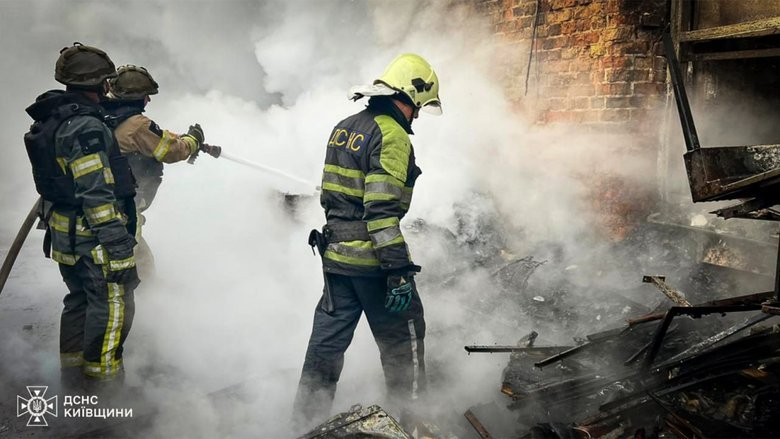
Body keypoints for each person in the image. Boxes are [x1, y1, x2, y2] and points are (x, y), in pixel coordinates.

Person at [294, 53, 442, 427]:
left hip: (336, 260)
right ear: (408, 96)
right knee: (404, 340)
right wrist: (397, 271)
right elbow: (380, 211)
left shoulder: (345, 126)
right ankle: (409, 425)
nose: (418, 116)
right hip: (374, 264)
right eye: (418, 107)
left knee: (325, 348)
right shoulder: (391, 135)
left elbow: (333, 196)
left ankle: (304, 426)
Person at [23, 43, 139, 389]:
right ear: (101, 84)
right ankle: (104, 387)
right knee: (113, 305)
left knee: (78, 301)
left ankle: (72, 376)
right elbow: (96, 193)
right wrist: (118, 246)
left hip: (65, 234)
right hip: (93, 237)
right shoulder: (85, 127)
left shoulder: (55, 115)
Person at [102, 65, 205, 278]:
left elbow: (152, 137)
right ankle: (146, 302)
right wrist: (192, 141)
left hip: (103, 203)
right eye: (146, 95)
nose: (148, 100)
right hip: (123, 208)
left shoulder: (102, 113)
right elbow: (171, 151)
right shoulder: (137, 124)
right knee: (140, 266)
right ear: (135, 97)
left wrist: (174, 136)